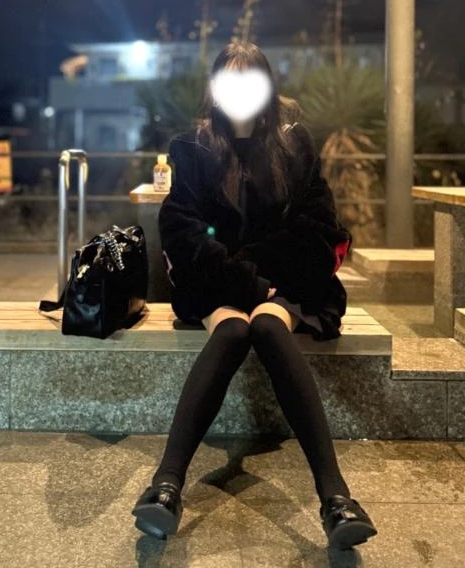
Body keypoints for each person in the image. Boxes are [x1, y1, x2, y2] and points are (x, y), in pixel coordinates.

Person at [131, 43, 377, 551]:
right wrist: (245, 279)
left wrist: (263, 279)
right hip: (217, 283)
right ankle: (166, 486)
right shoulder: (192, 147)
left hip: (288, 282)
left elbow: (317, 226)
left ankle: (335, 497)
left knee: (265, 324)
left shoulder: (293, 143)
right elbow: (181, 230)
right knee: (232, 329)